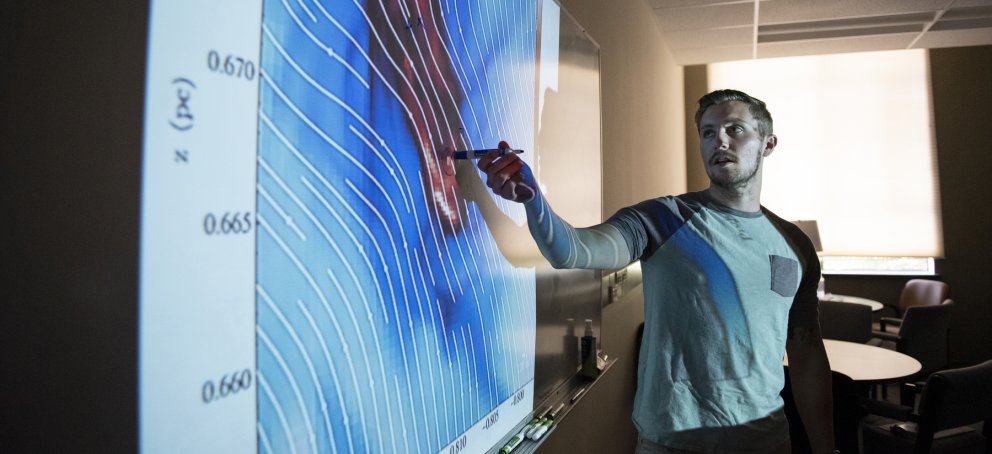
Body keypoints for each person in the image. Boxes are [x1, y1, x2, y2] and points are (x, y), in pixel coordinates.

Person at [477, 89, 835, 453]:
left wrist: (826, 448)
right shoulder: (662, 218)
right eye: (708, 132)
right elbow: (572, 251)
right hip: (672, 443)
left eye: (735, 130)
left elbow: (806, 353)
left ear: (768, 144)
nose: (720, 141)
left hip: (767, 442)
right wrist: (533, 200)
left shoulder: (794, 245)